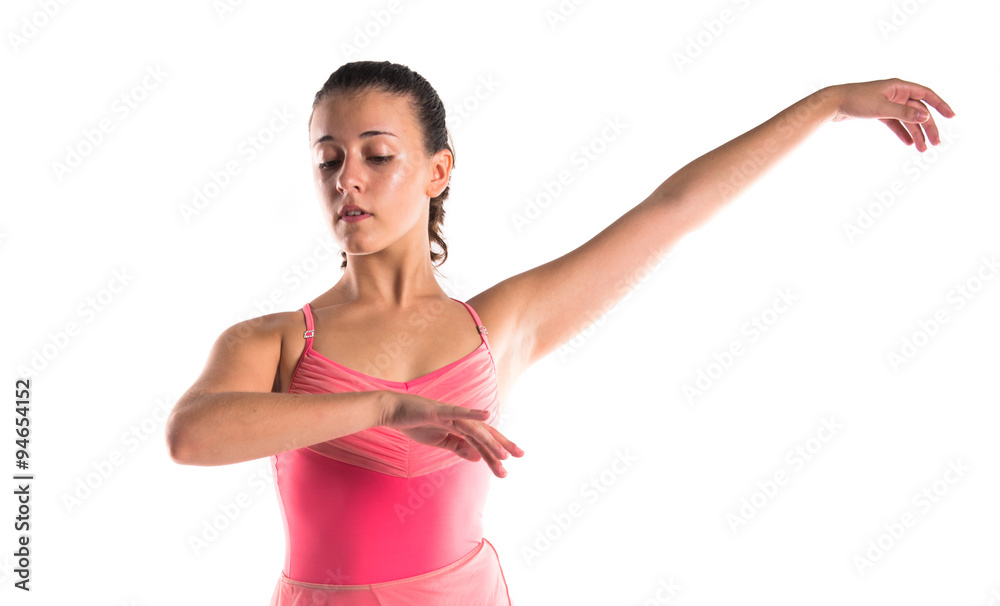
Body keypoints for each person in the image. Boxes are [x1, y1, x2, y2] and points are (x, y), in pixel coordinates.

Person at [164, 61, 954, 605]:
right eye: (328, 159)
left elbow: (672, 209)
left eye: (377, 155)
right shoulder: (275, 341)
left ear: (438, 171)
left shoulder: (502, 325)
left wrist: (827, 104)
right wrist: (385, 408)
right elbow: (191, 436)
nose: (348, 180)